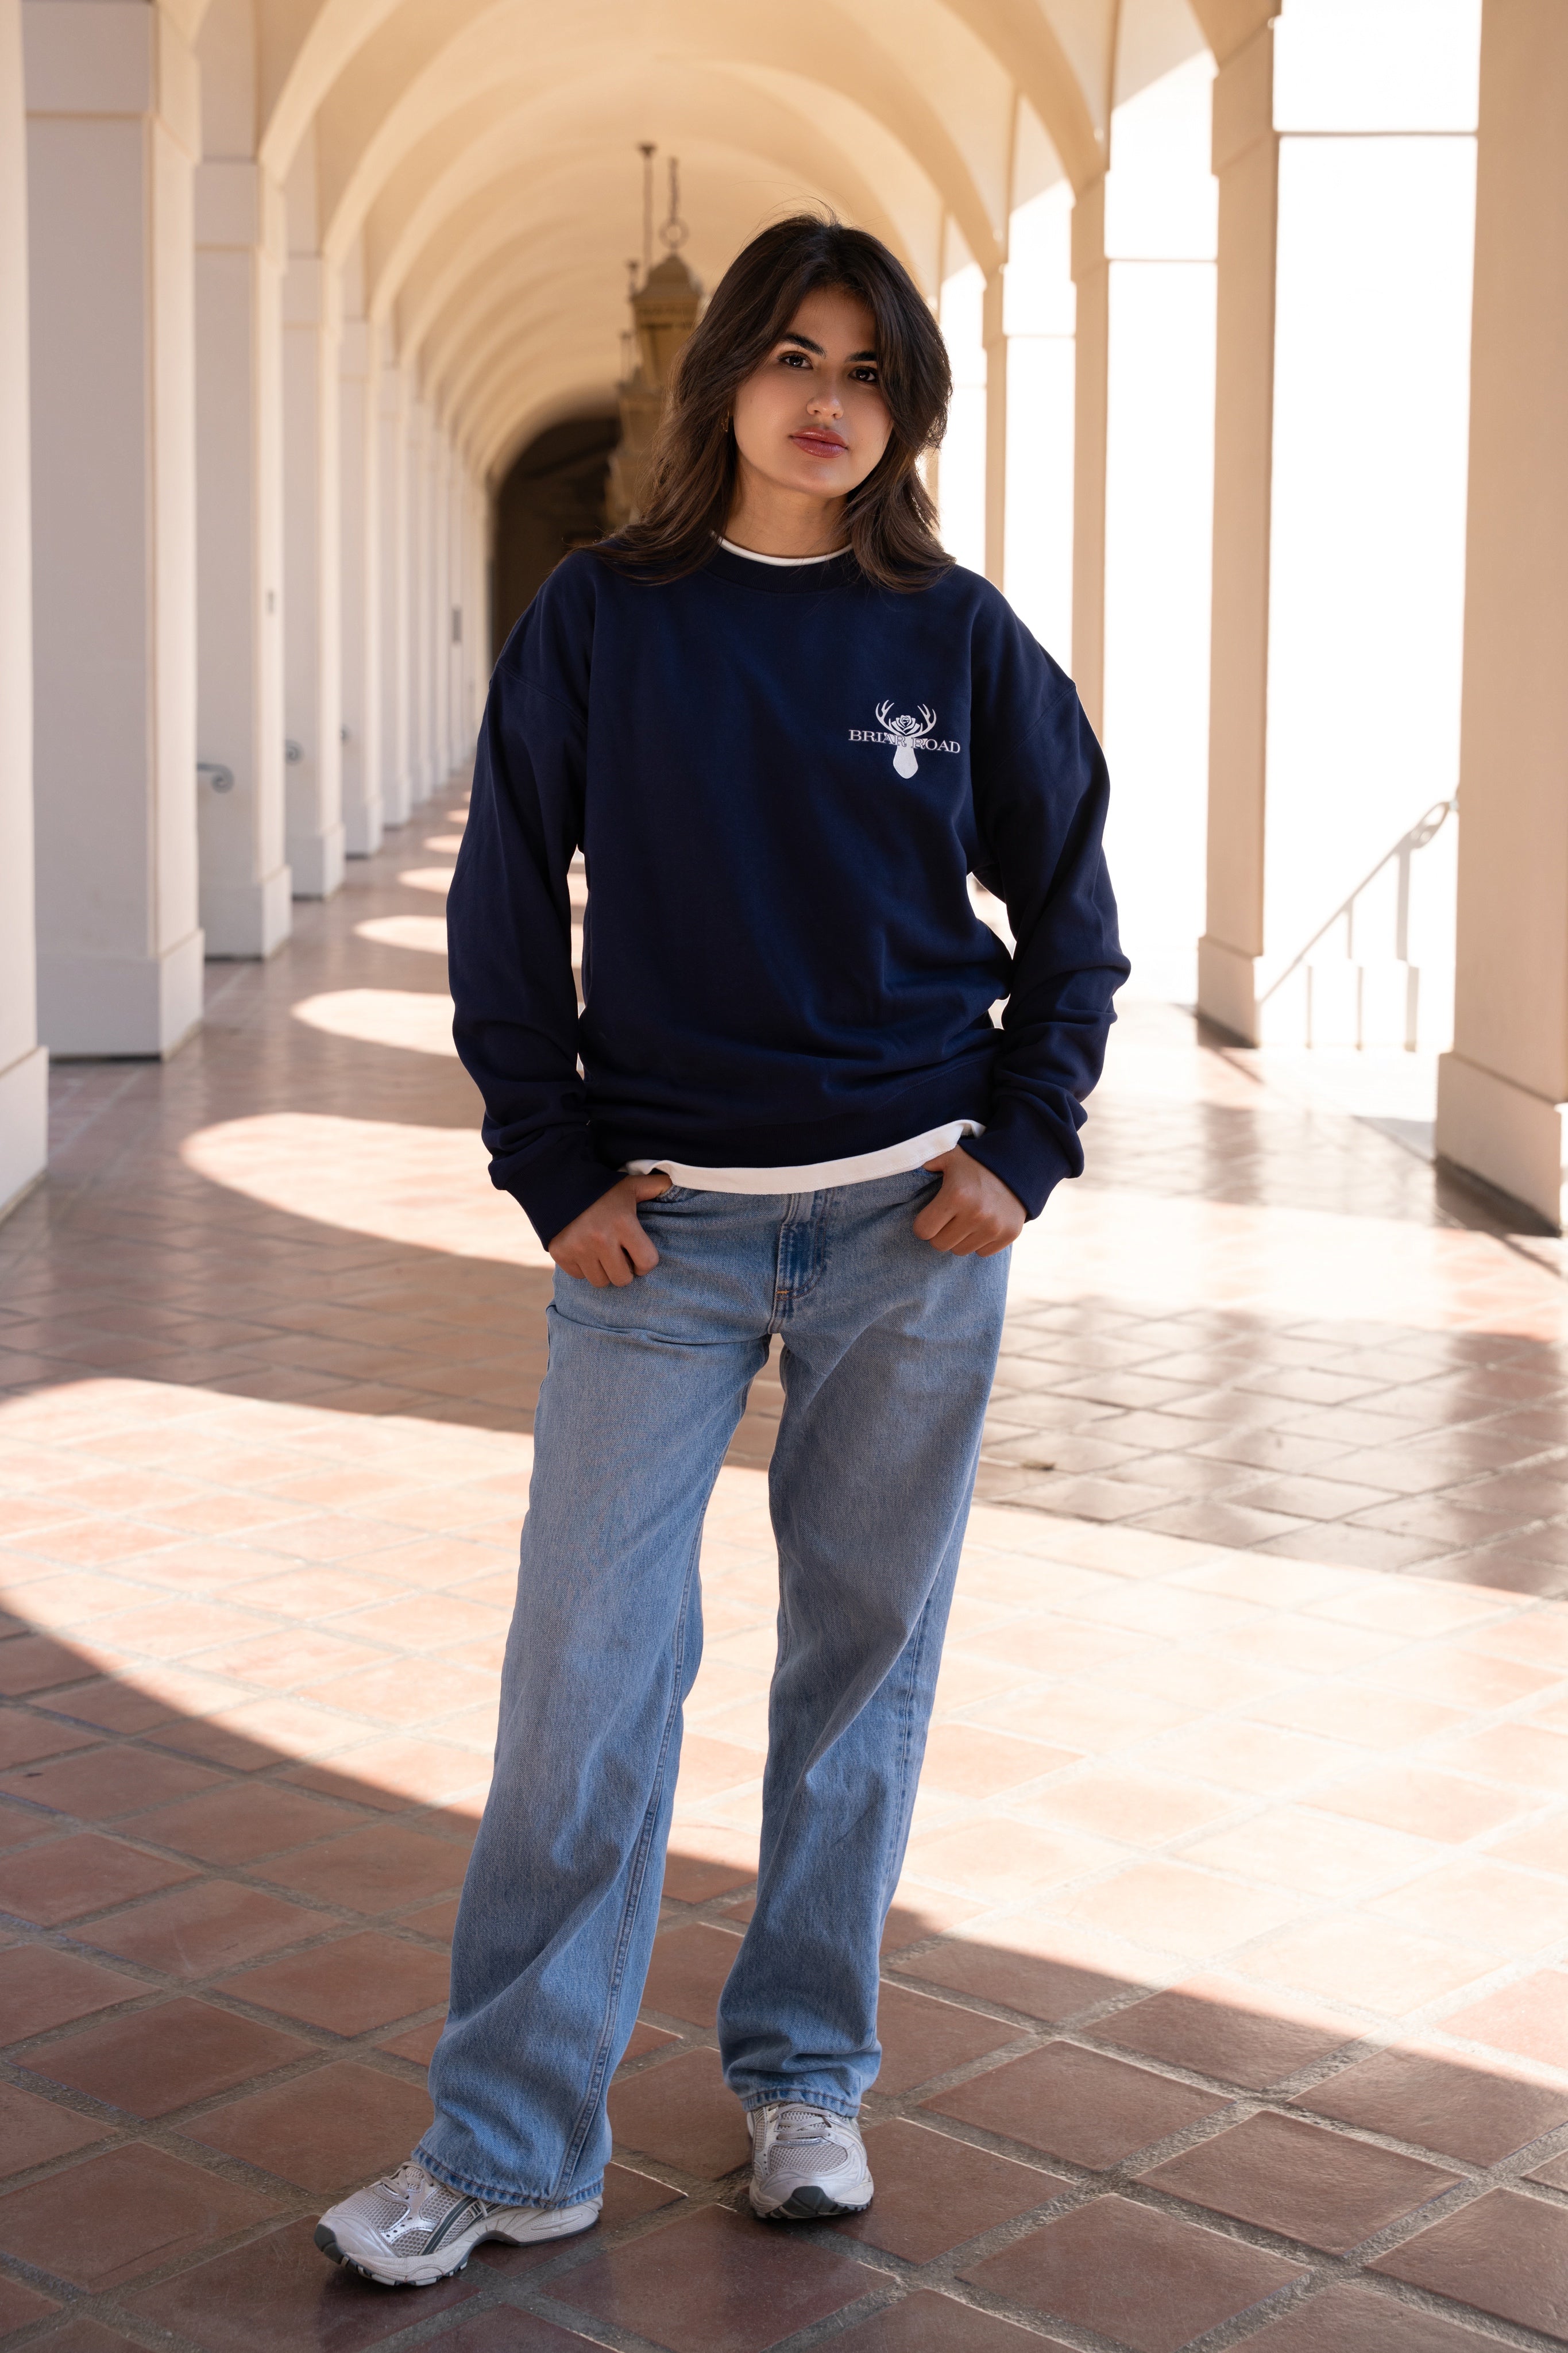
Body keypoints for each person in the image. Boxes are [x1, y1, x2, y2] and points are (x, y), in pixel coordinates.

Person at [316, 214, 1127, 2288]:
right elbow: (504, 900)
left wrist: (1020, 1151)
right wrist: (548, 1159)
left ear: (902, 407)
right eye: (786, 355)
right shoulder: (606, 617)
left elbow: (1075, 917)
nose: (823, 398)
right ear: (723, 387)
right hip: (656, 1248)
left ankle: (801, 2075)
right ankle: (512, 2144)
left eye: (863, 367)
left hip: (908, 1228)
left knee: (860, 1668)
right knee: (585, 1683)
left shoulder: (953, 639)